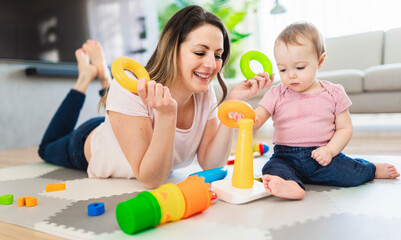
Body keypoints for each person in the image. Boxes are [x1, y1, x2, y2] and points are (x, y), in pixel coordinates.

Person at [38, 5, 271, 189]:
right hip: (88, 144)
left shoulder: (205, 91)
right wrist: (167, 115)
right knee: (46, 149)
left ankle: (103, 79)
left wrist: (232, 107)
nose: (212, 65)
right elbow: (151, 179)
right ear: (172, 49)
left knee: (119, 100)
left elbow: (211, 164)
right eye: (200, 52)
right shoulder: (128, 89)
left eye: (218, 55)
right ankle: (85, 78)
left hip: (127, 121)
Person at [249, 22, 400, 200]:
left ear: (319, 61)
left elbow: (345, 128)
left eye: (299, 68)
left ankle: (371, 169)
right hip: (285, 156)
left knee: (350, 173)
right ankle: (291, 184)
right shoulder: (276, 93)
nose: (290, 75)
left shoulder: (333, 92)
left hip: (322, 156)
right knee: (271, 169)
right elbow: (257, 118)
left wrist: (330, 150)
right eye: (283, 69)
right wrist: (246, 117)